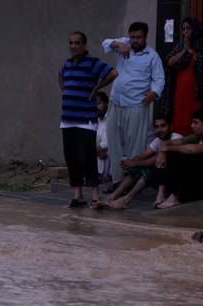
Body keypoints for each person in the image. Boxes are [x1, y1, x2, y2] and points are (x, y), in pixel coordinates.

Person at [59, 31, 118, 208]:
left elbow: (113, 73)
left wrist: (97, 87)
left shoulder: (92, 63)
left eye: (77, 43)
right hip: (67, 119)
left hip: (86, 120)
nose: (73, 46)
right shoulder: (67, 64)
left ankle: (95, 196)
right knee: (72, 158)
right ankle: (78, 195)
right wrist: (66, 90)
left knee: (87, 158)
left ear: (84, 45)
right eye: (71, 43)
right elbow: (60, 77)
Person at [102, 22, 165, 187]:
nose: (135, 40)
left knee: (134, 144)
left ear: (145, 37)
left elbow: (159, 79)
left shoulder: (152, 56)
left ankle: (131, 181)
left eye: (139, 37)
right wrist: (119, 44)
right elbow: (105, 43)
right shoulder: (124, 45)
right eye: (133, 37)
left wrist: (153, 93)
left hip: (137, 103)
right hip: (116, 101)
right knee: (113, 141)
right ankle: (117, 181)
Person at [154, 107, 203, 209]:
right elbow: (169, 142)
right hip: (200, 180)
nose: (191, 126)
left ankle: (175, 197)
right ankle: (161, 193)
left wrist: (167, 148)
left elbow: (192, 149)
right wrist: (163, 151)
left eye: (195, 123)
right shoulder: (196, 137)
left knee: (192, 156)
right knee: (172, 153)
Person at [104, 115, 182, 209]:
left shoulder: (176, 138)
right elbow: (144, 155)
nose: (159, 130)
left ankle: (126, 200)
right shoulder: (158, 140)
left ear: (171, 127)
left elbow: (156, 160)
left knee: (147, 171)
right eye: (156, 127)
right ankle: (113, 196)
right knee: (137, 168)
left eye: (163, 126)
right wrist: (130, 162)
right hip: (163, 177)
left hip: (176, 181)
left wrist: (135, 163)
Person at [158, 17, 203, 136]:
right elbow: (169, 62)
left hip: (196, 91)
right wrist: (184, 50)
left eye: (188, 28)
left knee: (193, 116)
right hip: (180, 90)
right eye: (183, 29)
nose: (185, 32)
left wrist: (191, 51)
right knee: (179, 116)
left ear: (195, 29)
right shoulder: (180, 46)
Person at [94, 91, 111, 183]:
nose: (96, 107)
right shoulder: (95, 120)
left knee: (106, 151)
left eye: (98, 104)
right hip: (99, 152)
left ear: (107, 104)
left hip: (109, 152)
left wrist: (99, 149)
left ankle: (102, 176)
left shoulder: (112, 119)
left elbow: (109, 141)